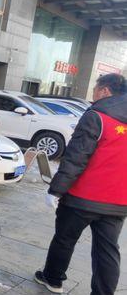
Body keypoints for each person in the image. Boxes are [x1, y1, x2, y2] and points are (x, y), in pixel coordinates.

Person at [35, 73, 126, 295]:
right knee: (107, 251)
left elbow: (76, 157)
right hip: (118, 202)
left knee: (65, 239)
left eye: (95, 89)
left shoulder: (97, 116)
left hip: (82, 198)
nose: (93, 94)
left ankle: (53, 279)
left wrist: (56, 189)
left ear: (105, 91)